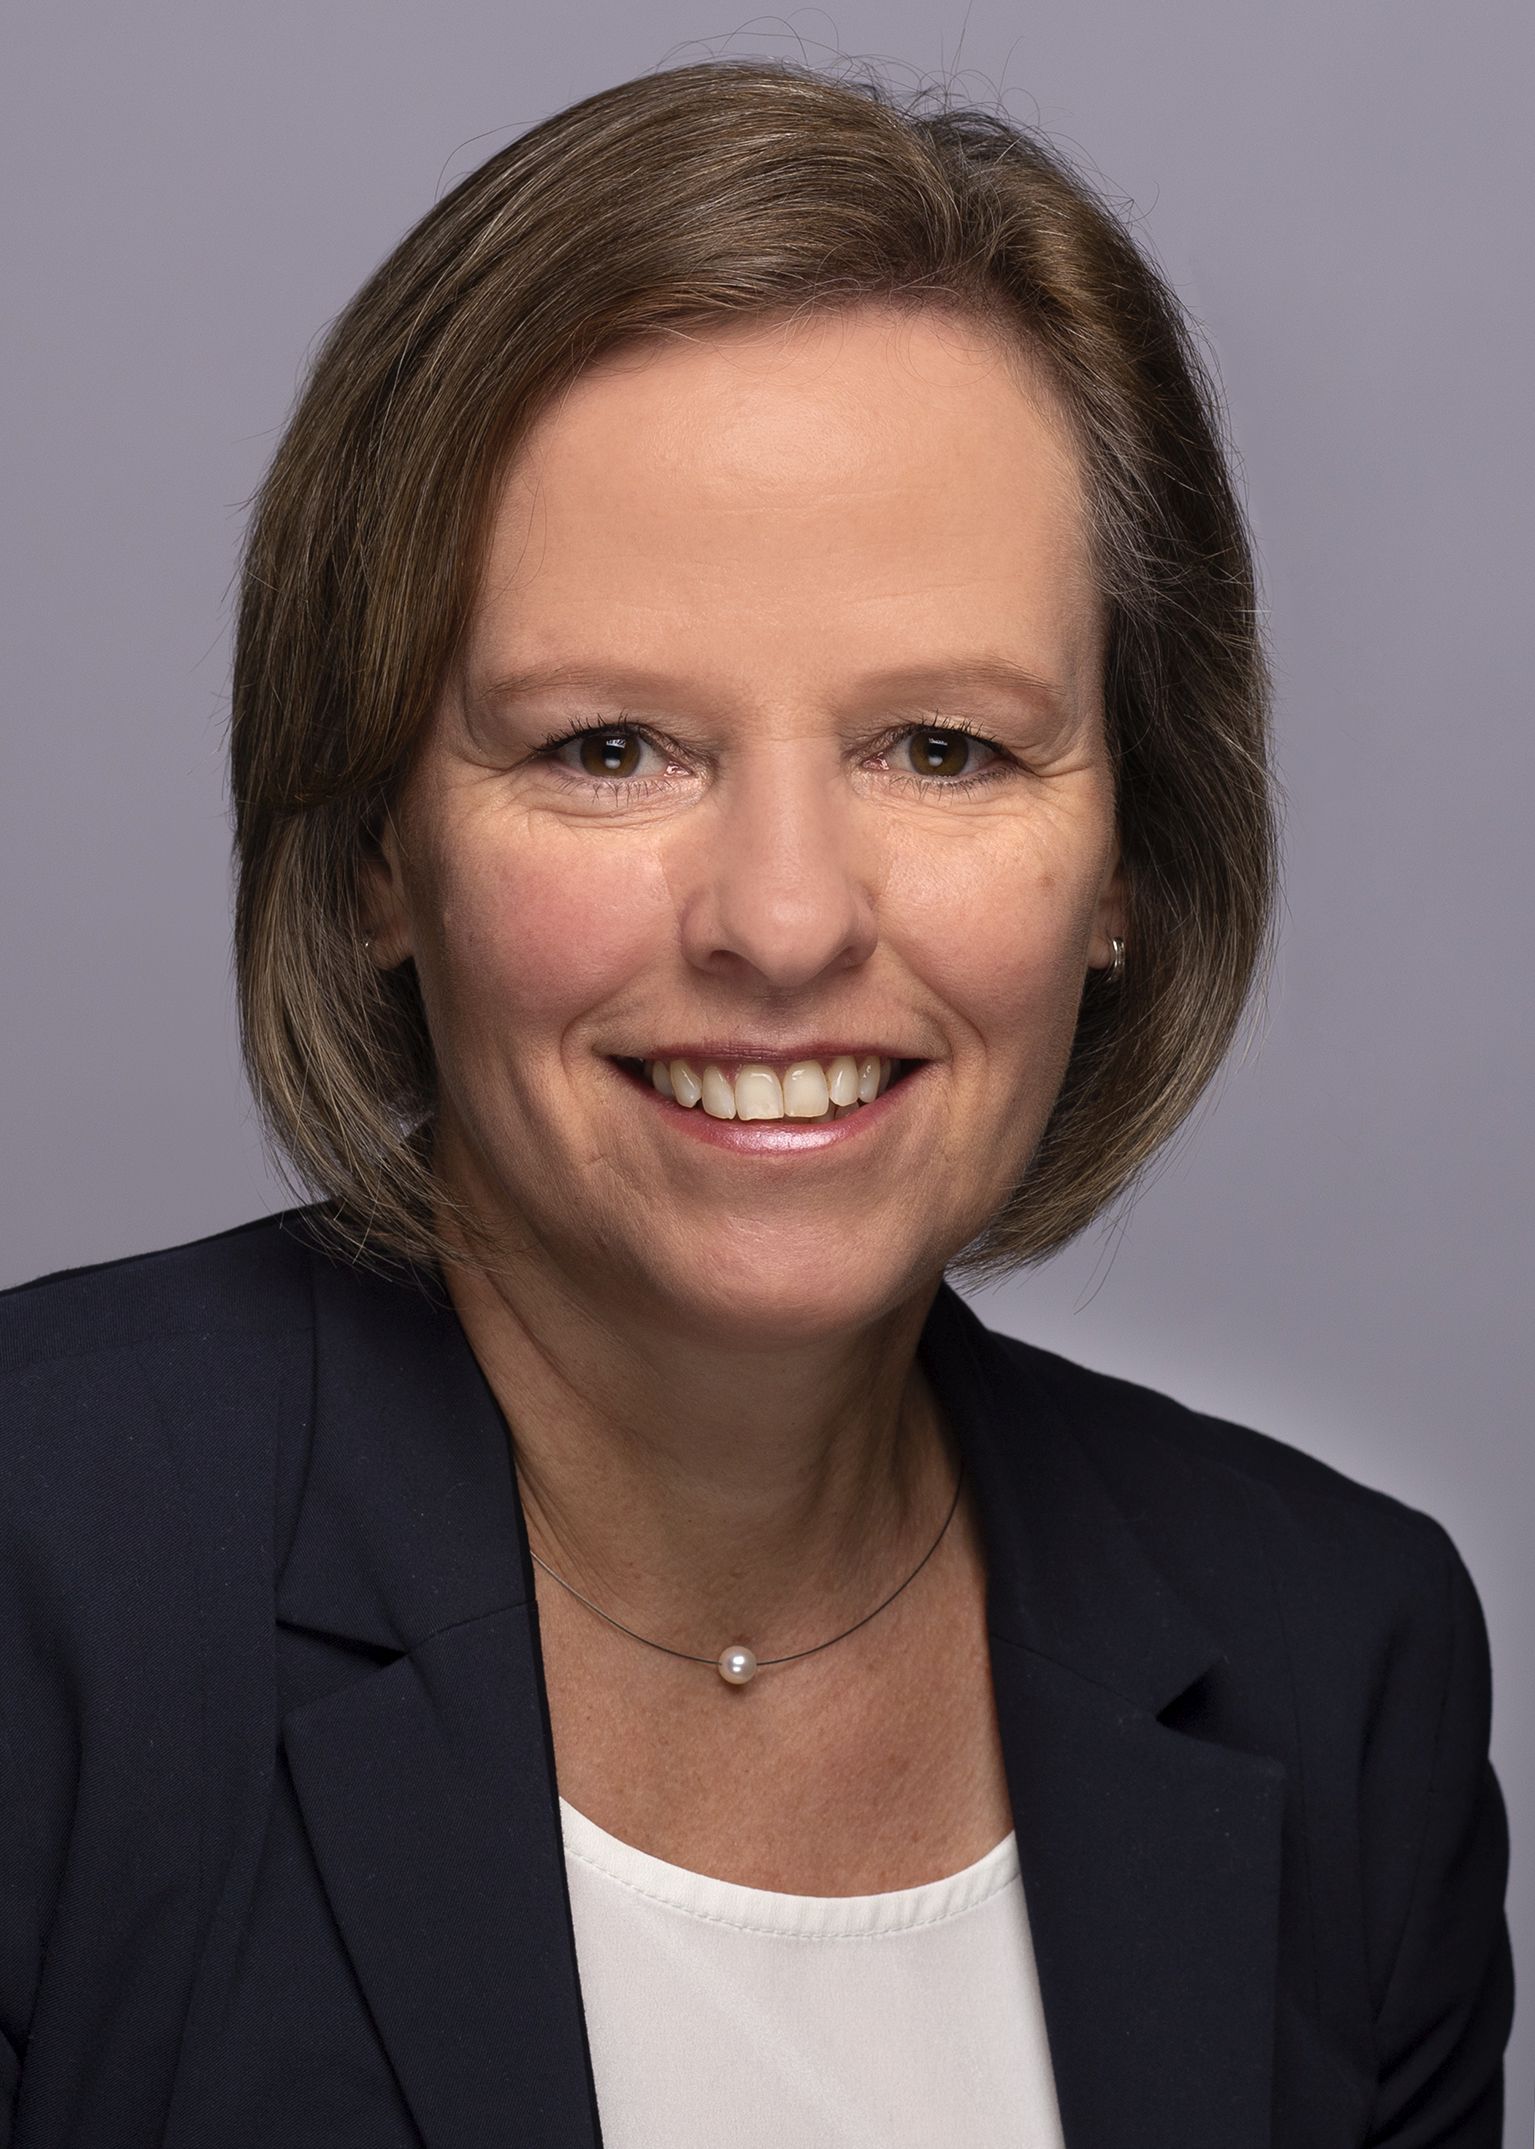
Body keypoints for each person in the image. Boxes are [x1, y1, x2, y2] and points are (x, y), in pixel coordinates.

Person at [0, 56, 1513, 2149]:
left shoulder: (1337, 1666)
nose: (786, 921)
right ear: (371, 853)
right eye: (610, 746)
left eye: (945, 748)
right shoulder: (42, 1574)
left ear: (1130, 866)